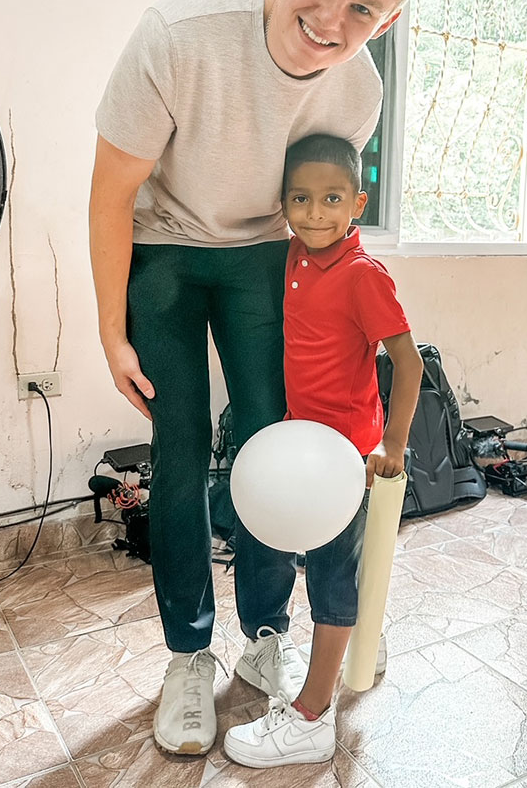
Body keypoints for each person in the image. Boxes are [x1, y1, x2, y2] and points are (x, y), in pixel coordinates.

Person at [89, 0, 423, 757]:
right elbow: (111, 191)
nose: (330, 18)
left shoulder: (359, 93)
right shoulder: (178, 35)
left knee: (270, 440)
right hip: (160, 246)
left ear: (383, 22)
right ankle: (188, 657)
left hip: (262, 259)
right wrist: (110, 329)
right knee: (180, 444)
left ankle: (267, 635)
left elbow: (325, 222)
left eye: (362, 9)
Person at [223, 134, 423, 768]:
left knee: (331, 576)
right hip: (302, 448)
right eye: (301, 199)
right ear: (283, 204)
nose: (315, 213)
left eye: (331, 198)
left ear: (358, 202)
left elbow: (408, 363)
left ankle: (311, 716)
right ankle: (364, 638)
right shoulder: (294, 257)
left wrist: (391, 445)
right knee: (335, 564)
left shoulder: (364, 276)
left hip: (344, 461)